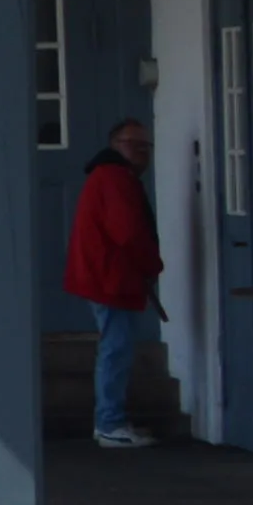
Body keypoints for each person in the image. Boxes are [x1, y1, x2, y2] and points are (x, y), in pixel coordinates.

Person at [66, 112, 165, 449]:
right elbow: (129, 232)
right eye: (132, 144)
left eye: (145, 146)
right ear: (115, 146)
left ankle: (111, 421)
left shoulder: (107, 176)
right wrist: (152, 264)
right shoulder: (115, 179)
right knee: (116, 350)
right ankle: (110, 423)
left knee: (115, 348)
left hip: (109, 276)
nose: (140, 151)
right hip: (111, 278)